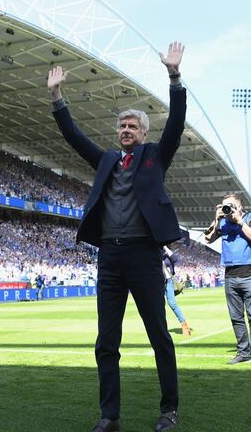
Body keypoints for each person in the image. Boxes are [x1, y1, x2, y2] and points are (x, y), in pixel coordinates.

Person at [47, 41, 186, 432]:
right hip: (109, 257)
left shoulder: (156, 156)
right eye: (121, 126)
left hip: (143, 256)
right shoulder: (107, 159)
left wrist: (174, 76)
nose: (125, 131)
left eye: (132, 126)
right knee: (106, 342)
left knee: (159, 335)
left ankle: (169, 410)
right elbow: (74, 138)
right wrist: (57, 97)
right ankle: (109, 417)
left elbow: (175, 123)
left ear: (143, 132)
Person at [204, 193, 251, 370]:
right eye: (224, 206)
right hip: (230, 275)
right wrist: (216, 219)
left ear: (240, 207)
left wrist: (239, 221)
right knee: (236, 317)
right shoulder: (222, 222)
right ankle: (243, 352)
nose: (227, 209)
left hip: (250, 273)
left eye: (231, 205)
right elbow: (207, 238)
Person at [162, 246, 191, 336]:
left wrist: (164, 247)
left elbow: (175, 259)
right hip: (158, 283)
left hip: (169, 281)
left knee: (172, 303)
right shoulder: (153, 254)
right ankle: (162, 328)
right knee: (159, 305)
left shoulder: (166, 255)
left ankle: (184, 325)